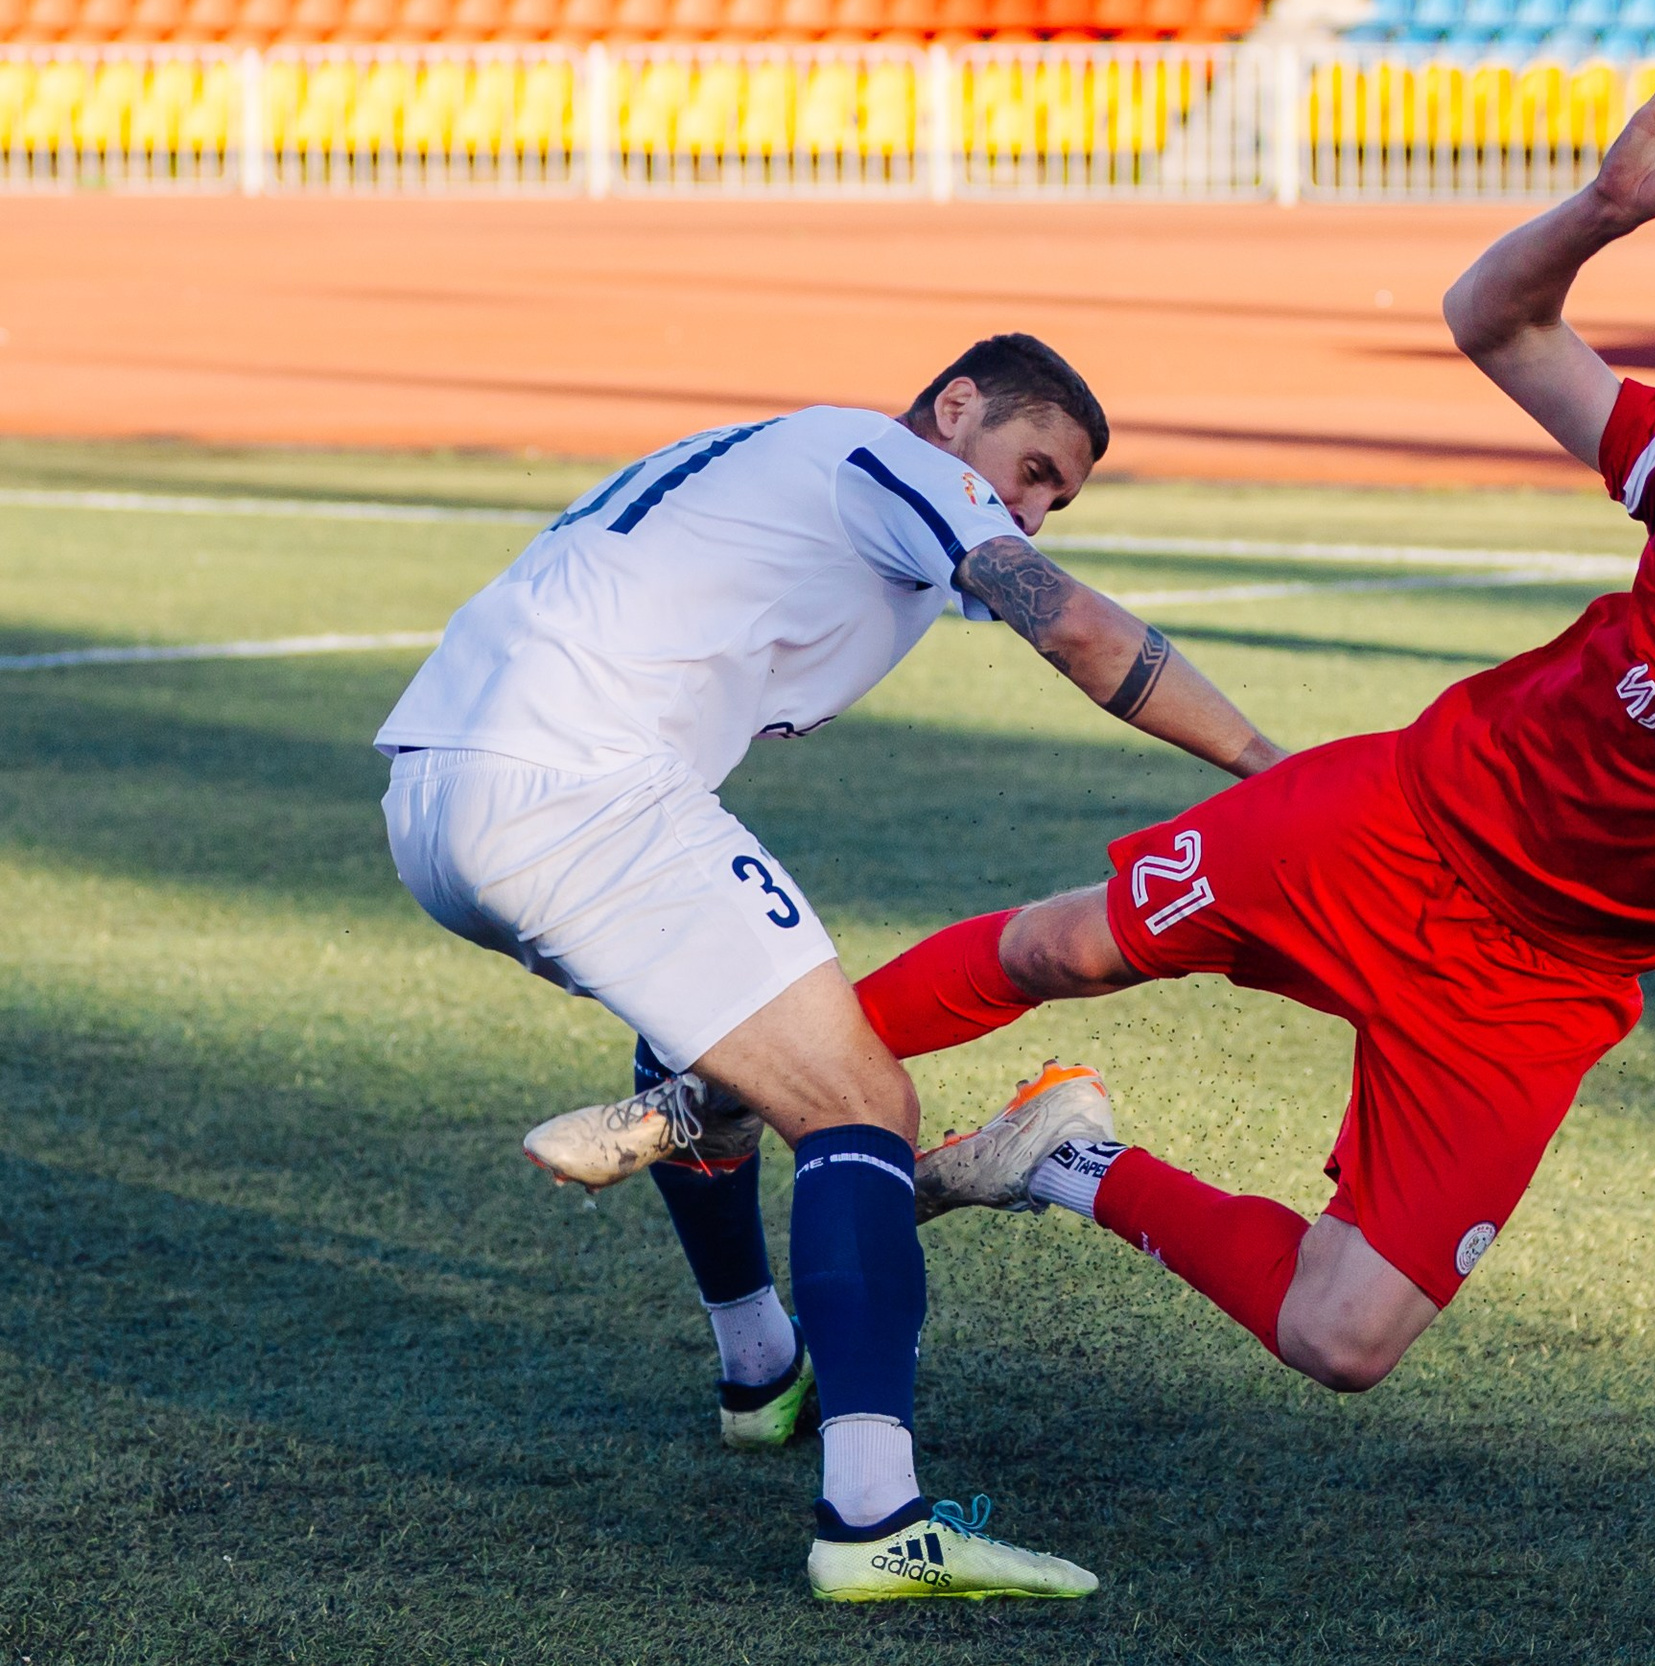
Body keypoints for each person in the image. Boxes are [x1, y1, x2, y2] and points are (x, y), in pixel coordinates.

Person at [547, 70, 1655, 1401]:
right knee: (1068, 940)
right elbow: (1498, 326)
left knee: (1347, 1337)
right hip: (1405, 819)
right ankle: (709, 1082)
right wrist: (1604, 204)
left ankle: (1062, 1159)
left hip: (1539, 991)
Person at [376, 334, 1283, 1601]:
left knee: (721, 1036)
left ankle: (761, 1369)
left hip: (440, 796)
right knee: (858, 1102)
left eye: (1051, 498)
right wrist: (1274, 771)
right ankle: (874, 1516)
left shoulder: (809, 464)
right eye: (1027, 468)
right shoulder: (890, 456)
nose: (1023, 507)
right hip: (573, 785)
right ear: (954, 407)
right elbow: (1071, 625)